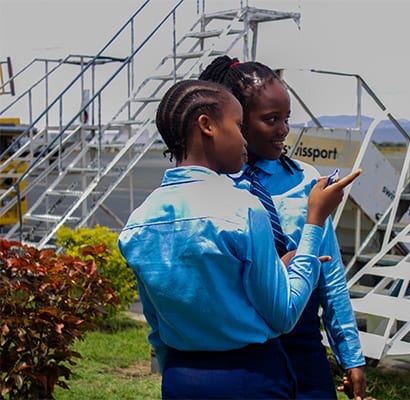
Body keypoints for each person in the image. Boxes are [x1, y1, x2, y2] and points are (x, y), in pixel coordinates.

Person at [117, 79, 361, 399]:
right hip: (250, 376)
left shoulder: (138, 222)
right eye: (237, 125)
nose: (243, 139)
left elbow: (157, 324)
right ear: (206, 126)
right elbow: (284, 314)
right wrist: (314, 221)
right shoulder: (244, 208)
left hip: (180, 377)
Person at [200, 56, 367, 400]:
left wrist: (351, 356)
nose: (283, 130)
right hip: (246, 350)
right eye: (270, 119)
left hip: (304, 346)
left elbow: (330, 276)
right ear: (236, 121)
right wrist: (274, 269)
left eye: (286, 118)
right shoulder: (215, 186)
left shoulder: (306, 180)